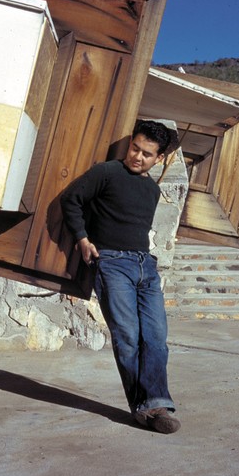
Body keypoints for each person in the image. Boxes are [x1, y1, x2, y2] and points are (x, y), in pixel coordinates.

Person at [60, 120, 180, 434]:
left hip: (145, 266)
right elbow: (71, 200)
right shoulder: (107, 173)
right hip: (112, 263)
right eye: (135, 148)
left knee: (155, 337)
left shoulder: (152, 190)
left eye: (147, 154)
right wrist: (82, 238)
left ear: (160, 158)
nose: (138, 156)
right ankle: (149, 408)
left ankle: (152, 402)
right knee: (127, 336)